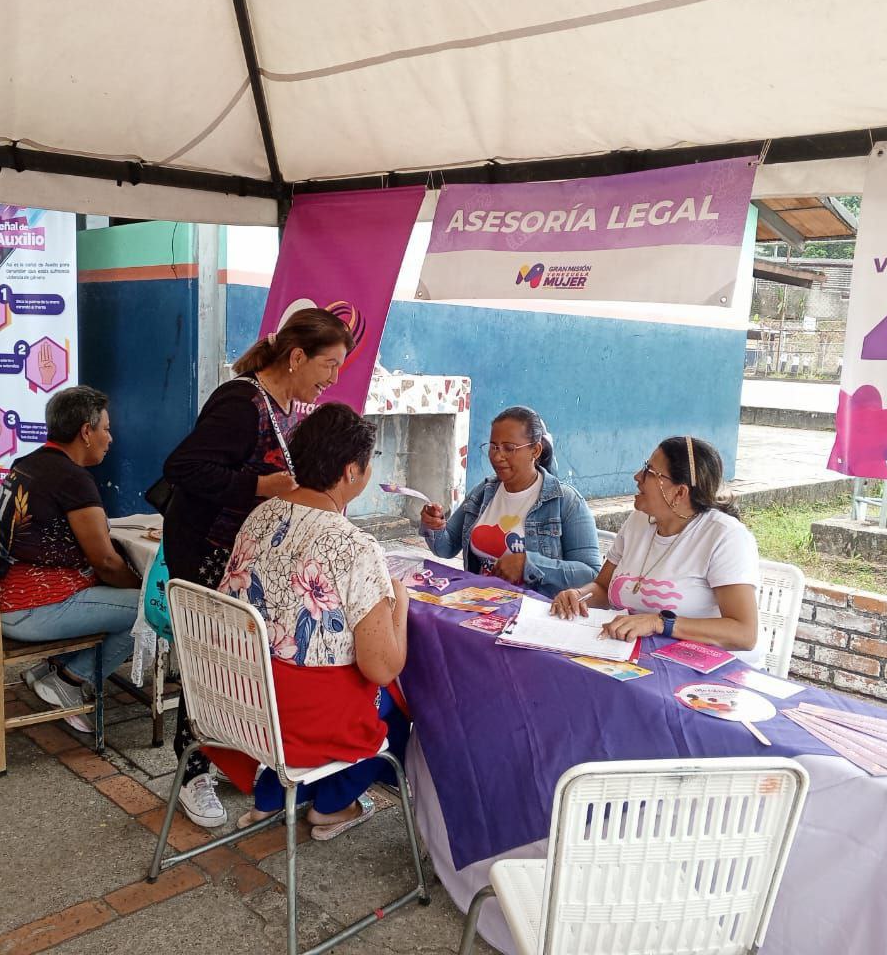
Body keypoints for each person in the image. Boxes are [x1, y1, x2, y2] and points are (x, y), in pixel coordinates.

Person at [158, 308, 355, 828]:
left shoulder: (287, 404)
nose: (334, 378)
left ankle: (229, 752)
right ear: (296, 357)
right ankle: (192, 770)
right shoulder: (240, 403)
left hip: (243, 554)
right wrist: (258, 486)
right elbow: (181, 467)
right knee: (210, 658)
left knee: (239, 662)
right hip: (205, 551)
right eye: (329, 365)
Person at [213, 403, 408, 840]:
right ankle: (333, 804)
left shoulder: (259, 516)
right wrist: (403, 602)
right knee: (398, 702)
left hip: (240, 699)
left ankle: (273, 796)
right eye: (368, 463)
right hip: (299, 719)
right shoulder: (355, 546)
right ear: (351, 471)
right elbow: (382, 666)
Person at [0, 385, 141, 731]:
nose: (110, 438)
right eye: (106, 428)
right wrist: (143, 589)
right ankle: (71, 679)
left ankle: (50, 667)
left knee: (124, 599)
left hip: (5, 600)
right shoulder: (72, 479)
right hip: (30, 611)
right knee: (155, 610)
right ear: (86, 432)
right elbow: (105, 561)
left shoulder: (25, 463)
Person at [551, 435, 763, 666]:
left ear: (680, 493)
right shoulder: (638, 521)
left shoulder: (724, 536)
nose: (637, 477)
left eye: (650, 472)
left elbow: (744, 634)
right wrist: (579, 595)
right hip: (639, 658)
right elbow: (602, 587)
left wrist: (660, 623)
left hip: (705, 671)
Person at [419, 406, 600, 597]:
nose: (497, 456)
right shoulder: (484, 493)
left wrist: (529, 563)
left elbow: (591, 574)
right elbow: (445, 548)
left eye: (509, 448)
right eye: (494, 446)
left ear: (535, 450)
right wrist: (434, 526)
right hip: (479, 605)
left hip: (536, 613)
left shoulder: (566, 502)